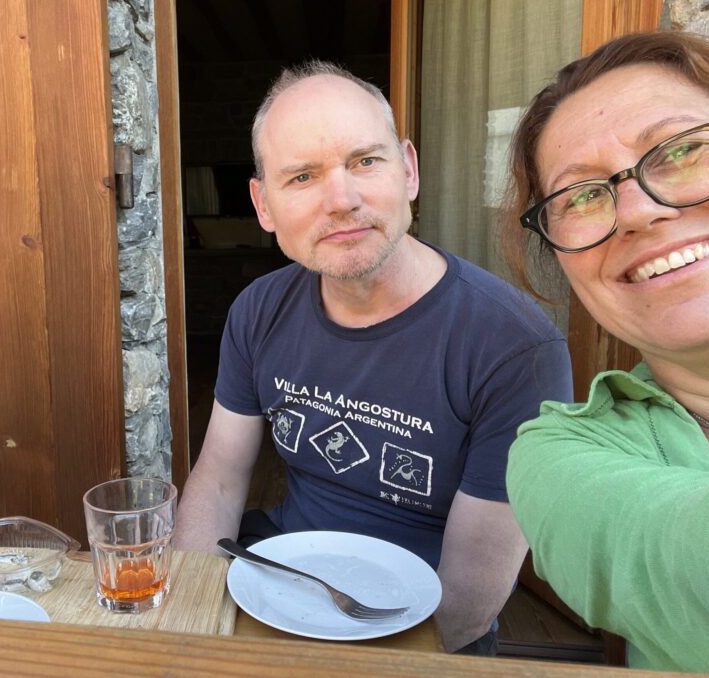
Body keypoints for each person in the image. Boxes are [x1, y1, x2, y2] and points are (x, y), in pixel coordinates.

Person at [174, 62, 573, 653]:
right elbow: (221, 479)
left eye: (365, 161)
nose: (343, 200)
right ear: (263, 205)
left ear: (408, 170)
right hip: (285, 586)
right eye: (303, 176)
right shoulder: (259, 310)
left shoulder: (514, 347)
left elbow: (470, 588)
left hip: (423, 627)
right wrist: (192, 625)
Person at [503, 31, 709, 673]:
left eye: (681, 151)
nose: (635, 211)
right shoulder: (563, 458)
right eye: (580, 195)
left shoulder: (485, 327)